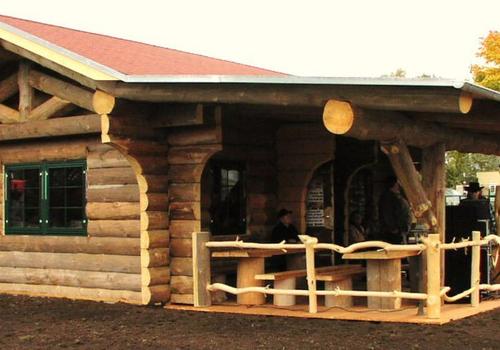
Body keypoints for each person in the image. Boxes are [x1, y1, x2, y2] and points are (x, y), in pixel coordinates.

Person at [378, 176, 412, 244]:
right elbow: (387, 214)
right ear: (395, 184)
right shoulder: (387, 197)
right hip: (395, 233)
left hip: (400, 230)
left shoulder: (396, 196)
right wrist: (394, 229)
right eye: (398, 182)